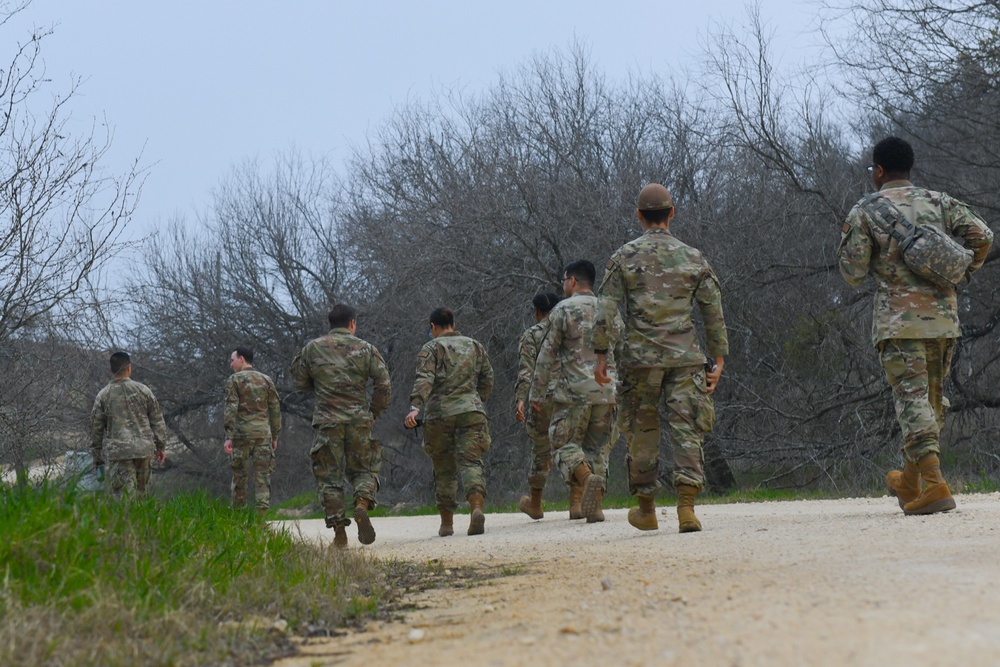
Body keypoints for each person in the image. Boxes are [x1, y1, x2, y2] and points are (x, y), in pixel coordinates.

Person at [837, 136, 993, 515]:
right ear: (910, 168)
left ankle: (936, 484)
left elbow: (853, 273)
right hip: (944, 321)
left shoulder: (865, 210)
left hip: (898, 323)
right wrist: (961, 270)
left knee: (911, 401)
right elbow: (983, 236)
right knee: (931, 403)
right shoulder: (939, 201)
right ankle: (910, 480)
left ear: (878, 171)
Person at [594, 183, 728, 533]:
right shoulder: (693, 257)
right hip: (685, 359)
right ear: (672, 212)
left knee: (642, 431)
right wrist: (718, 358)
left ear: (638, 216)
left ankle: (647, 509)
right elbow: (712, 310)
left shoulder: (624, 257)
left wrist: (600, 354)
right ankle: (686, 508)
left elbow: (605, 309)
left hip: (640, 360)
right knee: (687, 430)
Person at [291, 304, 391, 547]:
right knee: (364, 470)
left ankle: (340, 535)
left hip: (327, 422)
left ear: (330, 324)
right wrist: (373, 412)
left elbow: (299, 381)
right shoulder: (366, 349)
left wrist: (322, 383)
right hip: (358, 420)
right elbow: (383, 384)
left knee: (329, 477)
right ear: (352, 323)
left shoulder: (312, 348)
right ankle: (361, 504)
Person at [530, 260, 616, 524]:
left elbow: (547, 354)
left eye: (564, 279)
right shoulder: (609, 308)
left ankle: (586, 478)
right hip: (606, 390)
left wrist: (537, 391)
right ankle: (595, 507)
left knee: (562, 444)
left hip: (574, 391)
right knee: (598, 449)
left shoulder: (562, 310)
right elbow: (622, 346)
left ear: (572, 281)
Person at [405, 307, 494, 537]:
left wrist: (415, 407)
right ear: (453, 324)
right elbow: (488, 378)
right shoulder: (475, 346)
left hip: (440, 414)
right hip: (471, 410)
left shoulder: (431, 348)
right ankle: (476, 508)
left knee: (444, 467)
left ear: (433, 327)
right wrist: (475, 399)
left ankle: (447, 523)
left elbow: (425, 379)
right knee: (471, 462)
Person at [90, 351, 168, 498]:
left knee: (123, 499)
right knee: (141, 495)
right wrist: (161, 446)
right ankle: (142, 521)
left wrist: (97, 456)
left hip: (119, 453)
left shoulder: (103, 395)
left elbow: (96, 428)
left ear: (111, 369)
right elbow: (157, 420)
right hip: (143, 451)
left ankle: (128, 521)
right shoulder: (144, 391)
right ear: (129, 368)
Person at [514, 292, 562, 520]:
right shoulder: (569, 331)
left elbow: (526, 371)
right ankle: (577, 501)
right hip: (570, 395)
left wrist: (521, 399)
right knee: (573, 445)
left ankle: (535, 502)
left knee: (541, 447)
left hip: (542, 397)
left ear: (537, 311)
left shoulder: (531, 335)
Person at [224, 346, 281, 518]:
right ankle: (261, 520)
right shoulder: (266, 380)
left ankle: (238, 518)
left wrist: (229, 436)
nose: (231, 364)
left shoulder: (234, 380)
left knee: (240, 478)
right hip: (263, 435)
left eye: (233, 360)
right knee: (263, 479)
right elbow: (275, 409)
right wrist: (275, 435)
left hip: (241, 436)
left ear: (242, 359)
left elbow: (231, 409)